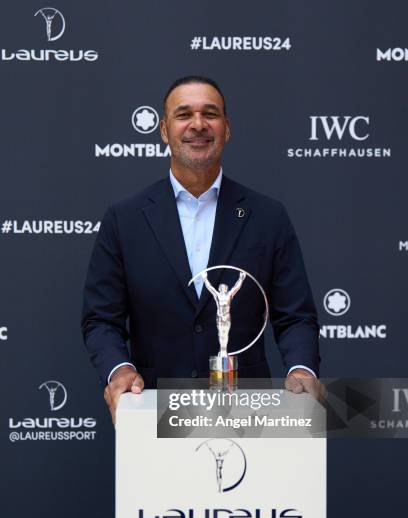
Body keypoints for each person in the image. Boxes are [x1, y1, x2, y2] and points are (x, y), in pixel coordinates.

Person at [81, 76, 321, 424]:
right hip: (155, 413)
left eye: (210, 114)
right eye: (184, 115)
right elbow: (101, 318)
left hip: (248, 417)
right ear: (164, 130)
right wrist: (119, 369)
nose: (198, 124)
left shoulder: (268, 216)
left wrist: (302, 369)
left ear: (227, 129)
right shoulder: (125, 218)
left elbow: (296, 315)